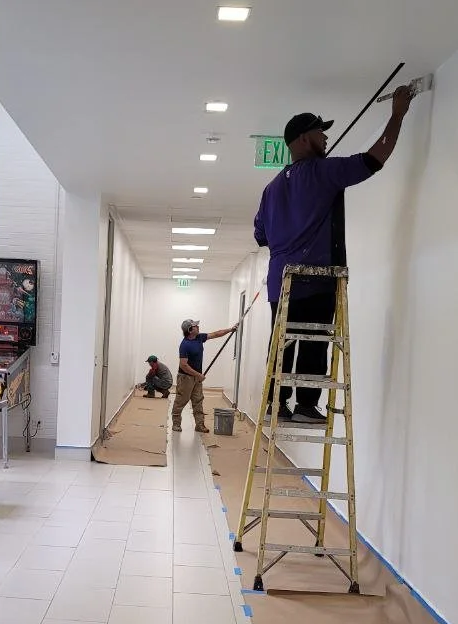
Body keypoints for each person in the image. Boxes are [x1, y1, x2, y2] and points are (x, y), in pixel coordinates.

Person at [254, 85, 414, 423]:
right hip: (315, 278)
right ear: (301, 140)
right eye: (319, 132)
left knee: (281, 342)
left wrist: (290, 238)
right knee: (314, 340)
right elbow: (374, 159)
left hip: (280, 280)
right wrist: (397, 115)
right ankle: (307, 405)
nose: (325, 138)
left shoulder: (271, 189)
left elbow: (260, 235)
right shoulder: (320, 173)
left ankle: (276, 404)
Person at [173, 318, 238, 433]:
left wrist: (230, 330)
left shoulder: (199, 338)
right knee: (181, 400)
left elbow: (216, 334)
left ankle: (199, 425)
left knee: (198, 400)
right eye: (195, 326)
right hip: (185, 378)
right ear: (190, 330)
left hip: (197, 377)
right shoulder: (185, 345)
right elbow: (183, 365)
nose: (198, 327)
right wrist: (198, 375)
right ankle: (176, 424)